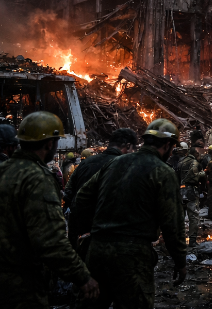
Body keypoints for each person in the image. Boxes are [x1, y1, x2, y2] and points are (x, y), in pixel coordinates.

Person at [0, 111, 100, 308]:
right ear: (49, 144)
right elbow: (51, 240)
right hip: (19, 287)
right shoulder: (37, 178)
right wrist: (82, 277)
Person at [74, 118, 186, 308]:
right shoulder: (163, 172)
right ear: (167, 145)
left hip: (97, 250)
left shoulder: (115, 163)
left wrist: (94, 228)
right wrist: (180, 261)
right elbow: (172, 224)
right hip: (132, 256)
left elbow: (82, 197)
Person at [65, 128, 138, 248]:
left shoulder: (85, 163)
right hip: (106, 238)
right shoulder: (124, 166)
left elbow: (69, 192)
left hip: (79, 233)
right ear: (128, 146)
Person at [177, 140, 206, 247]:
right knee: (193, 217)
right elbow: (201, 178)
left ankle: (180, 240)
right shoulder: (196, 163)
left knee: (180, 217)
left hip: (180, 192)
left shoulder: (180, 163)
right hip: (192, 192)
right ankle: (192, 241)